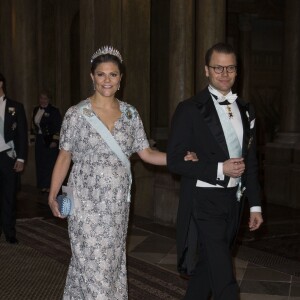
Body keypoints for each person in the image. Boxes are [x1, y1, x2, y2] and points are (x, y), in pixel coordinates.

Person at [48, 46, 197, 299]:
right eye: (101, 74)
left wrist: (178, 158)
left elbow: (146, 153)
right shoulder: (76, 115)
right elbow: (65, 156)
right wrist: (53, 195)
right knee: (92, 263)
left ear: (121, 78)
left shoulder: (130, 114)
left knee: (110, 262)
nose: (107, 80)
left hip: (116, 205)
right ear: (92, 77)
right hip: (83, 202)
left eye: (113, 74)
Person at [167, 43, 263, 300]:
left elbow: (251, 161)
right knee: (224, 278)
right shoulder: (189, 109)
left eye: (230, 68)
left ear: (236, 71)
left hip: (234, 201)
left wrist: (255, 205)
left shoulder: (246, 109)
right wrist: (220, 168)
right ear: (206, 70)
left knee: (209, 268)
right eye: (218, 67)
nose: (224, 73)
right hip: (204, 200)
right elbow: (174, 160)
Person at [0, 72, 28, 244]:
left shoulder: (15, 107)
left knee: (9, 195)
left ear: (1, 83)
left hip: (8, 157)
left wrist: (22, 159)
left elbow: (22, 134)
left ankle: (9, 231)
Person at [31, 90, 62, 193]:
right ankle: (42, 184)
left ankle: (50, 186)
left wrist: (55, 140)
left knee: (50, 163)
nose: (42, 100)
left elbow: (59, 127)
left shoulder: (54, 111)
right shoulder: (36, 109)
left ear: (49, 99)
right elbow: (34, 125)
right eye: (41, 98)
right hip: (39, 139)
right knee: (40, 162)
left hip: (50, 139)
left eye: (45, 98)